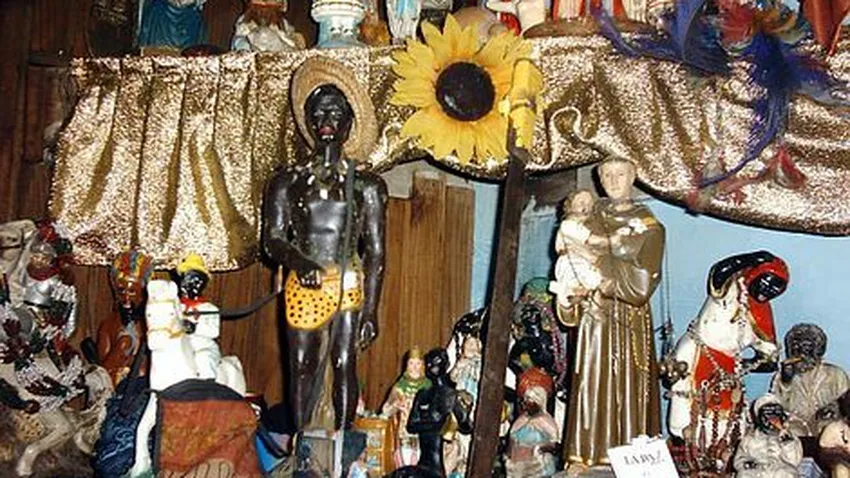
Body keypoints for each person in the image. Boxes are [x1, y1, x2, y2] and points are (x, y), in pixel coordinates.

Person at [263, 56, 386, 431]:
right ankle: (302, 442)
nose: (326, 120)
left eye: (335, 112)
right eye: (317, 112)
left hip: (348, 281)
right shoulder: (286, 181)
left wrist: (371, 311)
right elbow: (272, 240)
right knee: (300, 364)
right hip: (304, 284)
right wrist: (300, 263)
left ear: (349, 122)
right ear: (307, 121)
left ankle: (344, 442)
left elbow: (376, 252)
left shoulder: (368, 185)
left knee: (344, 361)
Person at [562, 157, 665, 473]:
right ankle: (583, 454)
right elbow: (570, 259)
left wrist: (600, 269)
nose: (613, 180)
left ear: (633, 177)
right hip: (594, 319)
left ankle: (635, 460)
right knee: (590, 381)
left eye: (620, 174)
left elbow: (641, 283)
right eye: (606, 175)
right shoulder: (587, 217)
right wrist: (569, 298)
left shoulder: (649, 225)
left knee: (629, 386)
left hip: (629, 319)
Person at [771, 323, 849, 439]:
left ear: (818, 349)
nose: (800, 351)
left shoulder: (836, 375)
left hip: (828, 432)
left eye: (806, 346)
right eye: (795, 346)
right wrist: (785, 383)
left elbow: (847, 403)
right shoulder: (783, 375)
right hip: (795, 433)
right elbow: (777, 407)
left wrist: (834, 407)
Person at [549, 189, 615, 314]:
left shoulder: (583, 226)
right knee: (575, 278)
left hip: (582, 260)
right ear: (569, 207)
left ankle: (580, 294)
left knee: (593, 277)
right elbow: (592, 240)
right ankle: (568, 293)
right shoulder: (568, 225)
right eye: (581, 203)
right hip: (571, 261)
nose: (586, 207)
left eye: (590, 204)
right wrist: (612, 240)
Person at [97, 249, 154, 385]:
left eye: (132, 291)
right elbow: (102, 372)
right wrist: (120, 348)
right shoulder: (109, 324)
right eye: (122, 291)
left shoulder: (152, 324)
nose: (126, 298)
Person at [382, 347, 432, 468]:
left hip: (422, 428)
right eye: (411, 363)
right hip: (404, 428)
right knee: (404, 455)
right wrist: (397, 405)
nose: (415, 367)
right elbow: (386, 409)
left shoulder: (428, 385)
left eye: (418, 363)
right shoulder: (400, 385)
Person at [733, 394, 803, 478]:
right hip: (757, 471)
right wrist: (747, 464)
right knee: (744, 475)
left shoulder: (790, 438)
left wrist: (788, 443)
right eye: (767, 415)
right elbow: (739, 460)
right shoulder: (749, 440)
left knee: (788, 474)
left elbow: (794, 461)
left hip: (780, 470)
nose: (772, 419)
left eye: (776, 414)